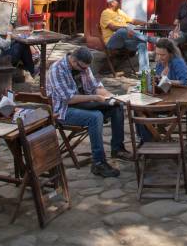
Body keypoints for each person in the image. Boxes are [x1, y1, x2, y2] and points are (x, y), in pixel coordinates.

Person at [46, 47, 128, 178]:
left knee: (116, 106)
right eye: (82, 68)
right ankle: (99, 163)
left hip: (84, 104)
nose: (85, 70)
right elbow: (69, 99)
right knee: (95, 117)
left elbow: (95, 87)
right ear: (73, 60)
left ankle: (117, 148)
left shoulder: (83, 66)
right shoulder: (57, 70)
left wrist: (112, 96)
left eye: (86, 68)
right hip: (64, 110)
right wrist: (94, 98)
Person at [100, 0, 155, 66]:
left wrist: (146, 23)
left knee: (142, 44)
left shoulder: (120, 12)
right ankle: (150, 39)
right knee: (121, 31)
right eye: (118, 1)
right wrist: (125, 28)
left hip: (125, 42)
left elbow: (132, 21)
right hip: (112, 42)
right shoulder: (105, 13)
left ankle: (144, 72)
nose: (120, 2)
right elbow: (112, 27)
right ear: (111, 3)